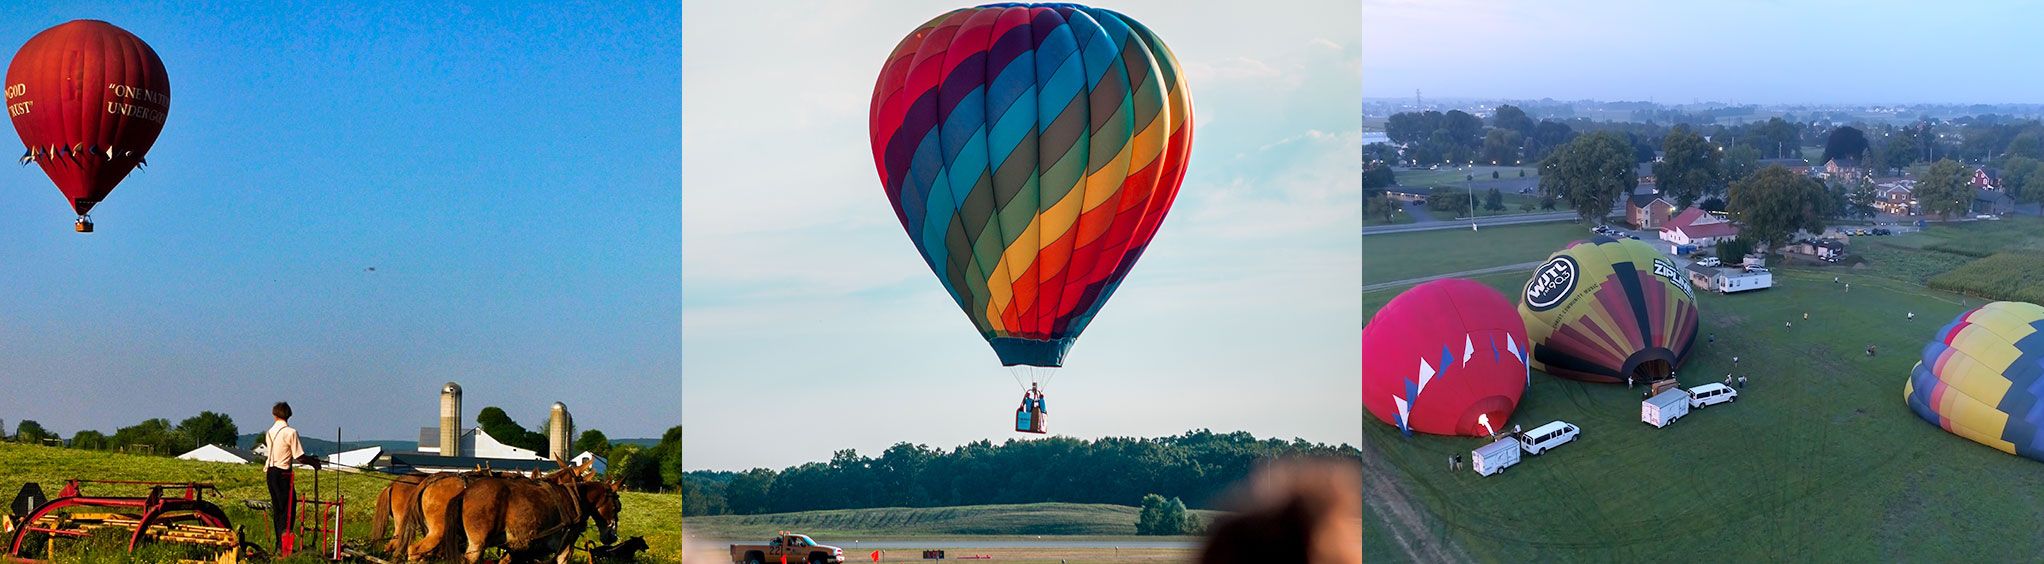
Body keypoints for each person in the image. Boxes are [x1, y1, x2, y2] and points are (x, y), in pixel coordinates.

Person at [263, 402, 321, 552]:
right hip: (283, 474)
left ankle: (279, 545)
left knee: (278, 510)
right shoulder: (290, 432)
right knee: (288, 510)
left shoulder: (269, 432)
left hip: (270, 473)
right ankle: (285, 546)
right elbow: (299, 456)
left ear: (274, 415)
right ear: (288, 415)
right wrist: (313, 462)